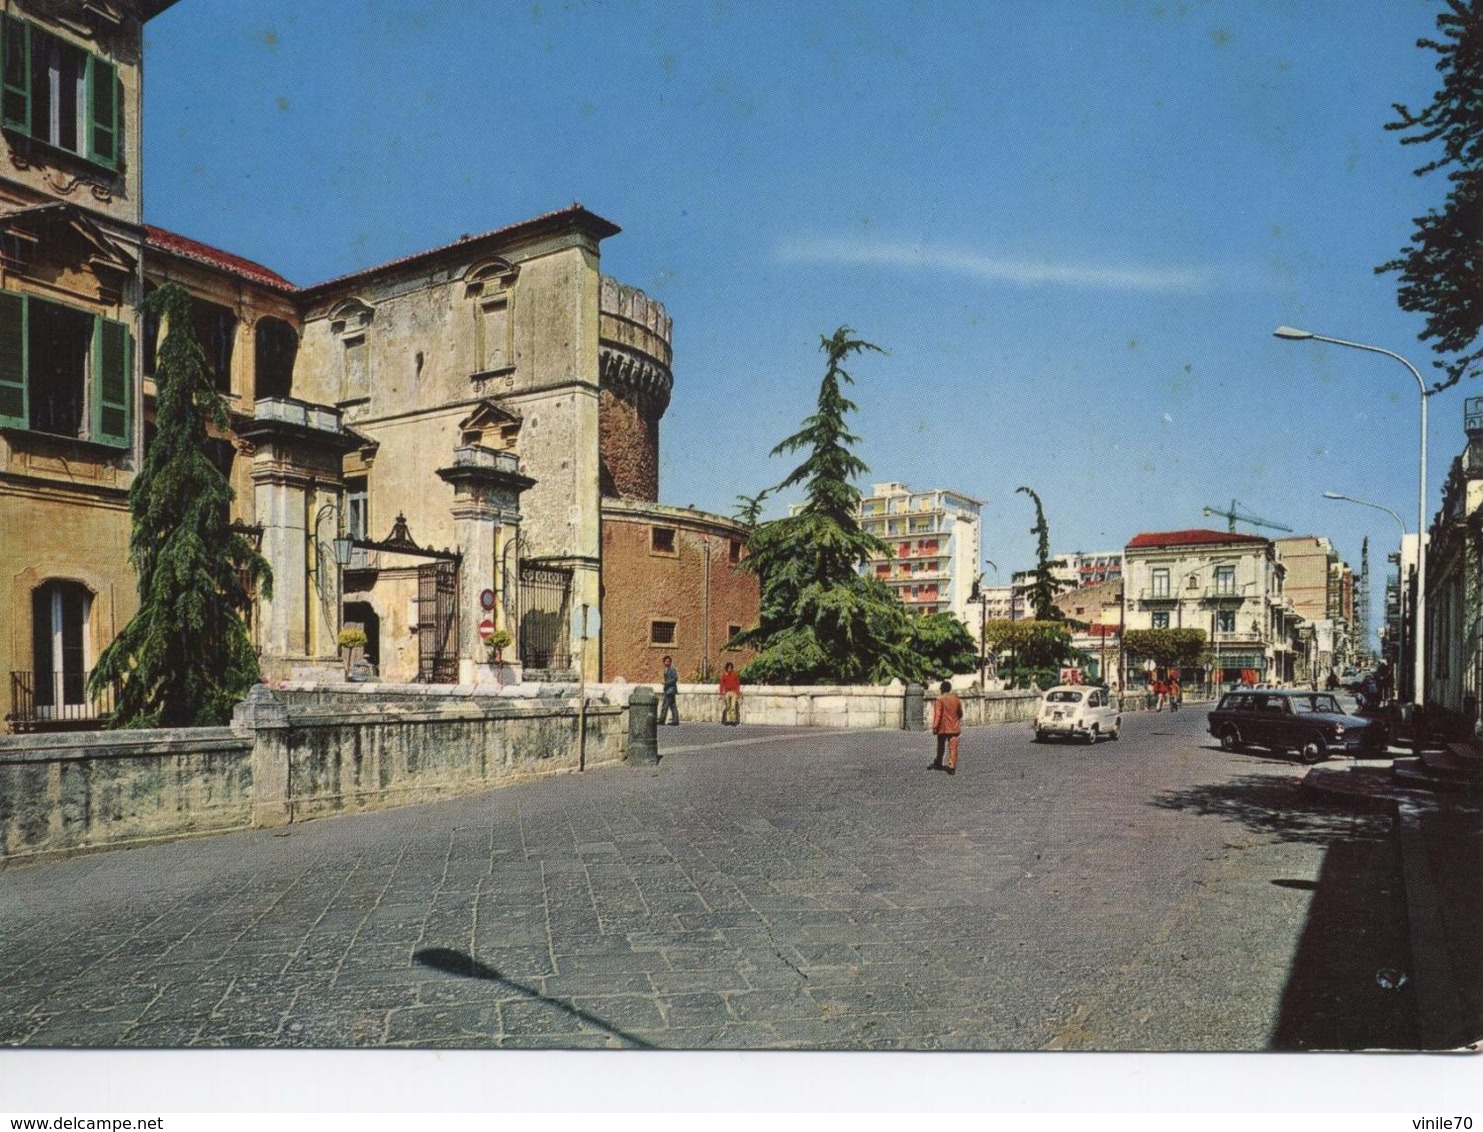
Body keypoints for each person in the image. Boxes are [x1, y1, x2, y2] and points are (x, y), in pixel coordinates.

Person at [930, 680, 964, 775]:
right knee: (953, 747)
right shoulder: (956, 699)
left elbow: (938, 715)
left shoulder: (939, 699)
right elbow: (960, 713)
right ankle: (952, 766)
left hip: (943, 727)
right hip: (954, 726)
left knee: (941, 746)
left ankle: (939, 761)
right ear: (949, 689)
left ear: (942, 689)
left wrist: (935, 727)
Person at [658, 655, 680, 726]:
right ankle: (675, 720)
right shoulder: (666, 669)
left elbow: (675, 679)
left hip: (670, 690)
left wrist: (666, 683)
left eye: (668, 661)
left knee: (665, 706)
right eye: (666, 661)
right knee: (673, 706)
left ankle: (661, 720)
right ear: (664, 662)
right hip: (668, 690)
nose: (667, 663)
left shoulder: (672, 669)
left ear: (670, 662)